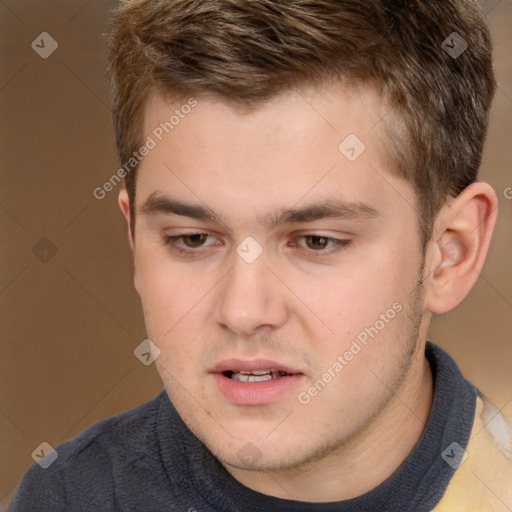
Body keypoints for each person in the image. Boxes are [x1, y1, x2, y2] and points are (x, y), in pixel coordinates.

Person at [9, 0, 512, 510]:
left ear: (451, 253)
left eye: (317, 241)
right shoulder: (65, 498)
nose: (243, 311)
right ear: (135, 241)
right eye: (192, 239)